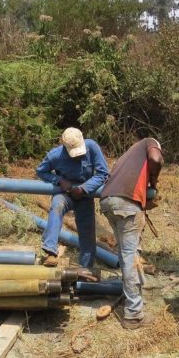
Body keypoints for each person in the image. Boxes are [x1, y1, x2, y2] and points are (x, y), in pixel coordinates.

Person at [99, 137, 163, 329]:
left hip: (107, 201)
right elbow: (155, 159)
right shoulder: (150, 142)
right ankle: (133, 314)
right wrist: (154, 180)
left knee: (125, 254)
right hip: (126, 204)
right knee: (130, 257)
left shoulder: (126, 156)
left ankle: (134, 300)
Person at [36, 127, 109, 268]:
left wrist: (84, 188)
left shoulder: (92, 147)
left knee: (87, 232)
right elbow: (41, 172)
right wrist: (59, 180)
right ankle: (50, 250)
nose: (78, 157)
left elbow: (103, 173)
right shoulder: (55, 155)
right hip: (65, 193)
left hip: (85, 194)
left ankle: (86, 268)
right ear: (65, 146)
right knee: (57, 205)